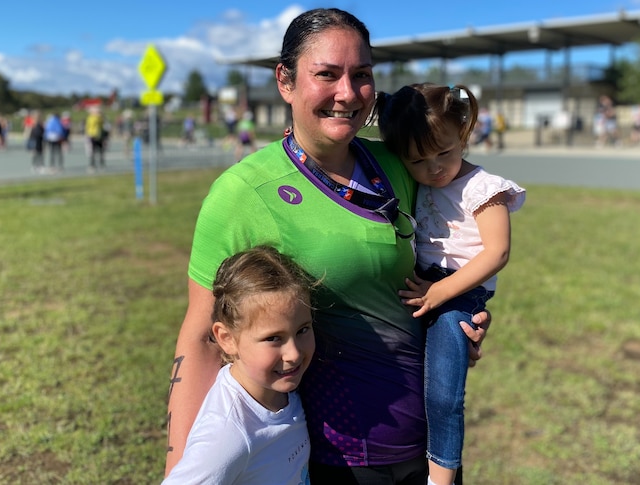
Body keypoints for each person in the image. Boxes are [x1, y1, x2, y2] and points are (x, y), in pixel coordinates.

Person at [164, 8, 491, 485]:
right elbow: (201, 341)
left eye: (361, 75)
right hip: (337, 455)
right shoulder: (241, 193)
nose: (347, 93)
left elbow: (446, 254)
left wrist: (461, 314)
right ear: (285, 80)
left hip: (432, 445)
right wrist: (179, 469)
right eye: (326, 74)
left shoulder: (399, 163)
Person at [375, 83, 526, 485]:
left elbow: (497, 253)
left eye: (444, 152)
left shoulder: (483, 189)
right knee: (414, 388)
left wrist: (442, 291)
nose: (435, 167)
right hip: (425, 287)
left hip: (457, 293)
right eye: (419, 160)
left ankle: (441, 480)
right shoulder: (419, 184)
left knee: (445, 394)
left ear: (463, 133)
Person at [162, 245, 315, 485]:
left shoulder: (282, 388)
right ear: (227, 339)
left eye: (303, 330)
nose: (294, 354)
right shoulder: (228, 434)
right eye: (273, 338)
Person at [85, 107, 106, 172]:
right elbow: (89, 126)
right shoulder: (90, 118)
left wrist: (99, 116)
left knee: (101, 151)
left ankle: (101, 164)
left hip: (99, 136)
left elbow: (101, 124)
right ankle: (92, 165)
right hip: (93, 136)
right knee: (93, 151)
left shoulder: (100, 118)